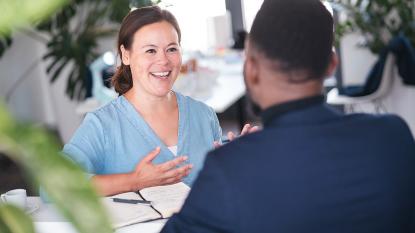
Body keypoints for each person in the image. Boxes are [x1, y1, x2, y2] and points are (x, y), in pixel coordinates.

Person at [161, 0, 415, 232]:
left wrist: (238, 160)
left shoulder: (228, 171)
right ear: (331, 65)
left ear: (251, 69)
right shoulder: (394, 135)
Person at [62, 6, 257, 196]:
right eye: (150, 51)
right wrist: (134, 181)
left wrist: (236, 158)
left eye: (171, 49)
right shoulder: (102, 125)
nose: (163, 61)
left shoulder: (203, 115)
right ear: (126, 55)